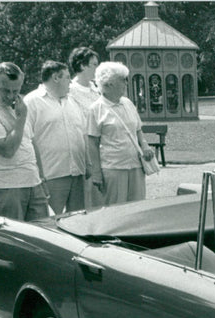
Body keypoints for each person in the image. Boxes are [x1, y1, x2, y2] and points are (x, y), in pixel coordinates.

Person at [0, 62, 48, 221]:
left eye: (16, 91)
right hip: (5, 187)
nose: (10, 96)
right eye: (5, 90)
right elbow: (8, 150)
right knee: (13, 236)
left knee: (43, 234)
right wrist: (21, 119)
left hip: (33, 182)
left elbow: (30, 142)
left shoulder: (19, 106)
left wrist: (41, 177)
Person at [87, 61, 154, 205]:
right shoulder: (96, 109)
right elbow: (92, 143)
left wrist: (145, 146)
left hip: (136, 166)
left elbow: (138, 129)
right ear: (109, 83)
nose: (126, 83)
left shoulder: (128, 103)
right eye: (123, 80)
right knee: (116, 208)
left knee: (138, 206)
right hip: (113, 168)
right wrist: (96, 173)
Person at [24, 60, 87, 214]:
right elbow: (26, 139)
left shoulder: (72, 101)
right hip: (50, 175)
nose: (70, 82)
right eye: (67, 77)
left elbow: (83, 133)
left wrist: (88, 164)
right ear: (55, 78)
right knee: (51, 221)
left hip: (77, 173)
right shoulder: (32, 102)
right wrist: (38, 175)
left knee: (78, 220)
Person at [67, 47, 102, 209]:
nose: (97, 68)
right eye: (94, 64)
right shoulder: (70, 91)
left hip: (103, 145)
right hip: (85, 147)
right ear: (82, 65)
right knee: (89, 193)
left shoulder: (97, 88)